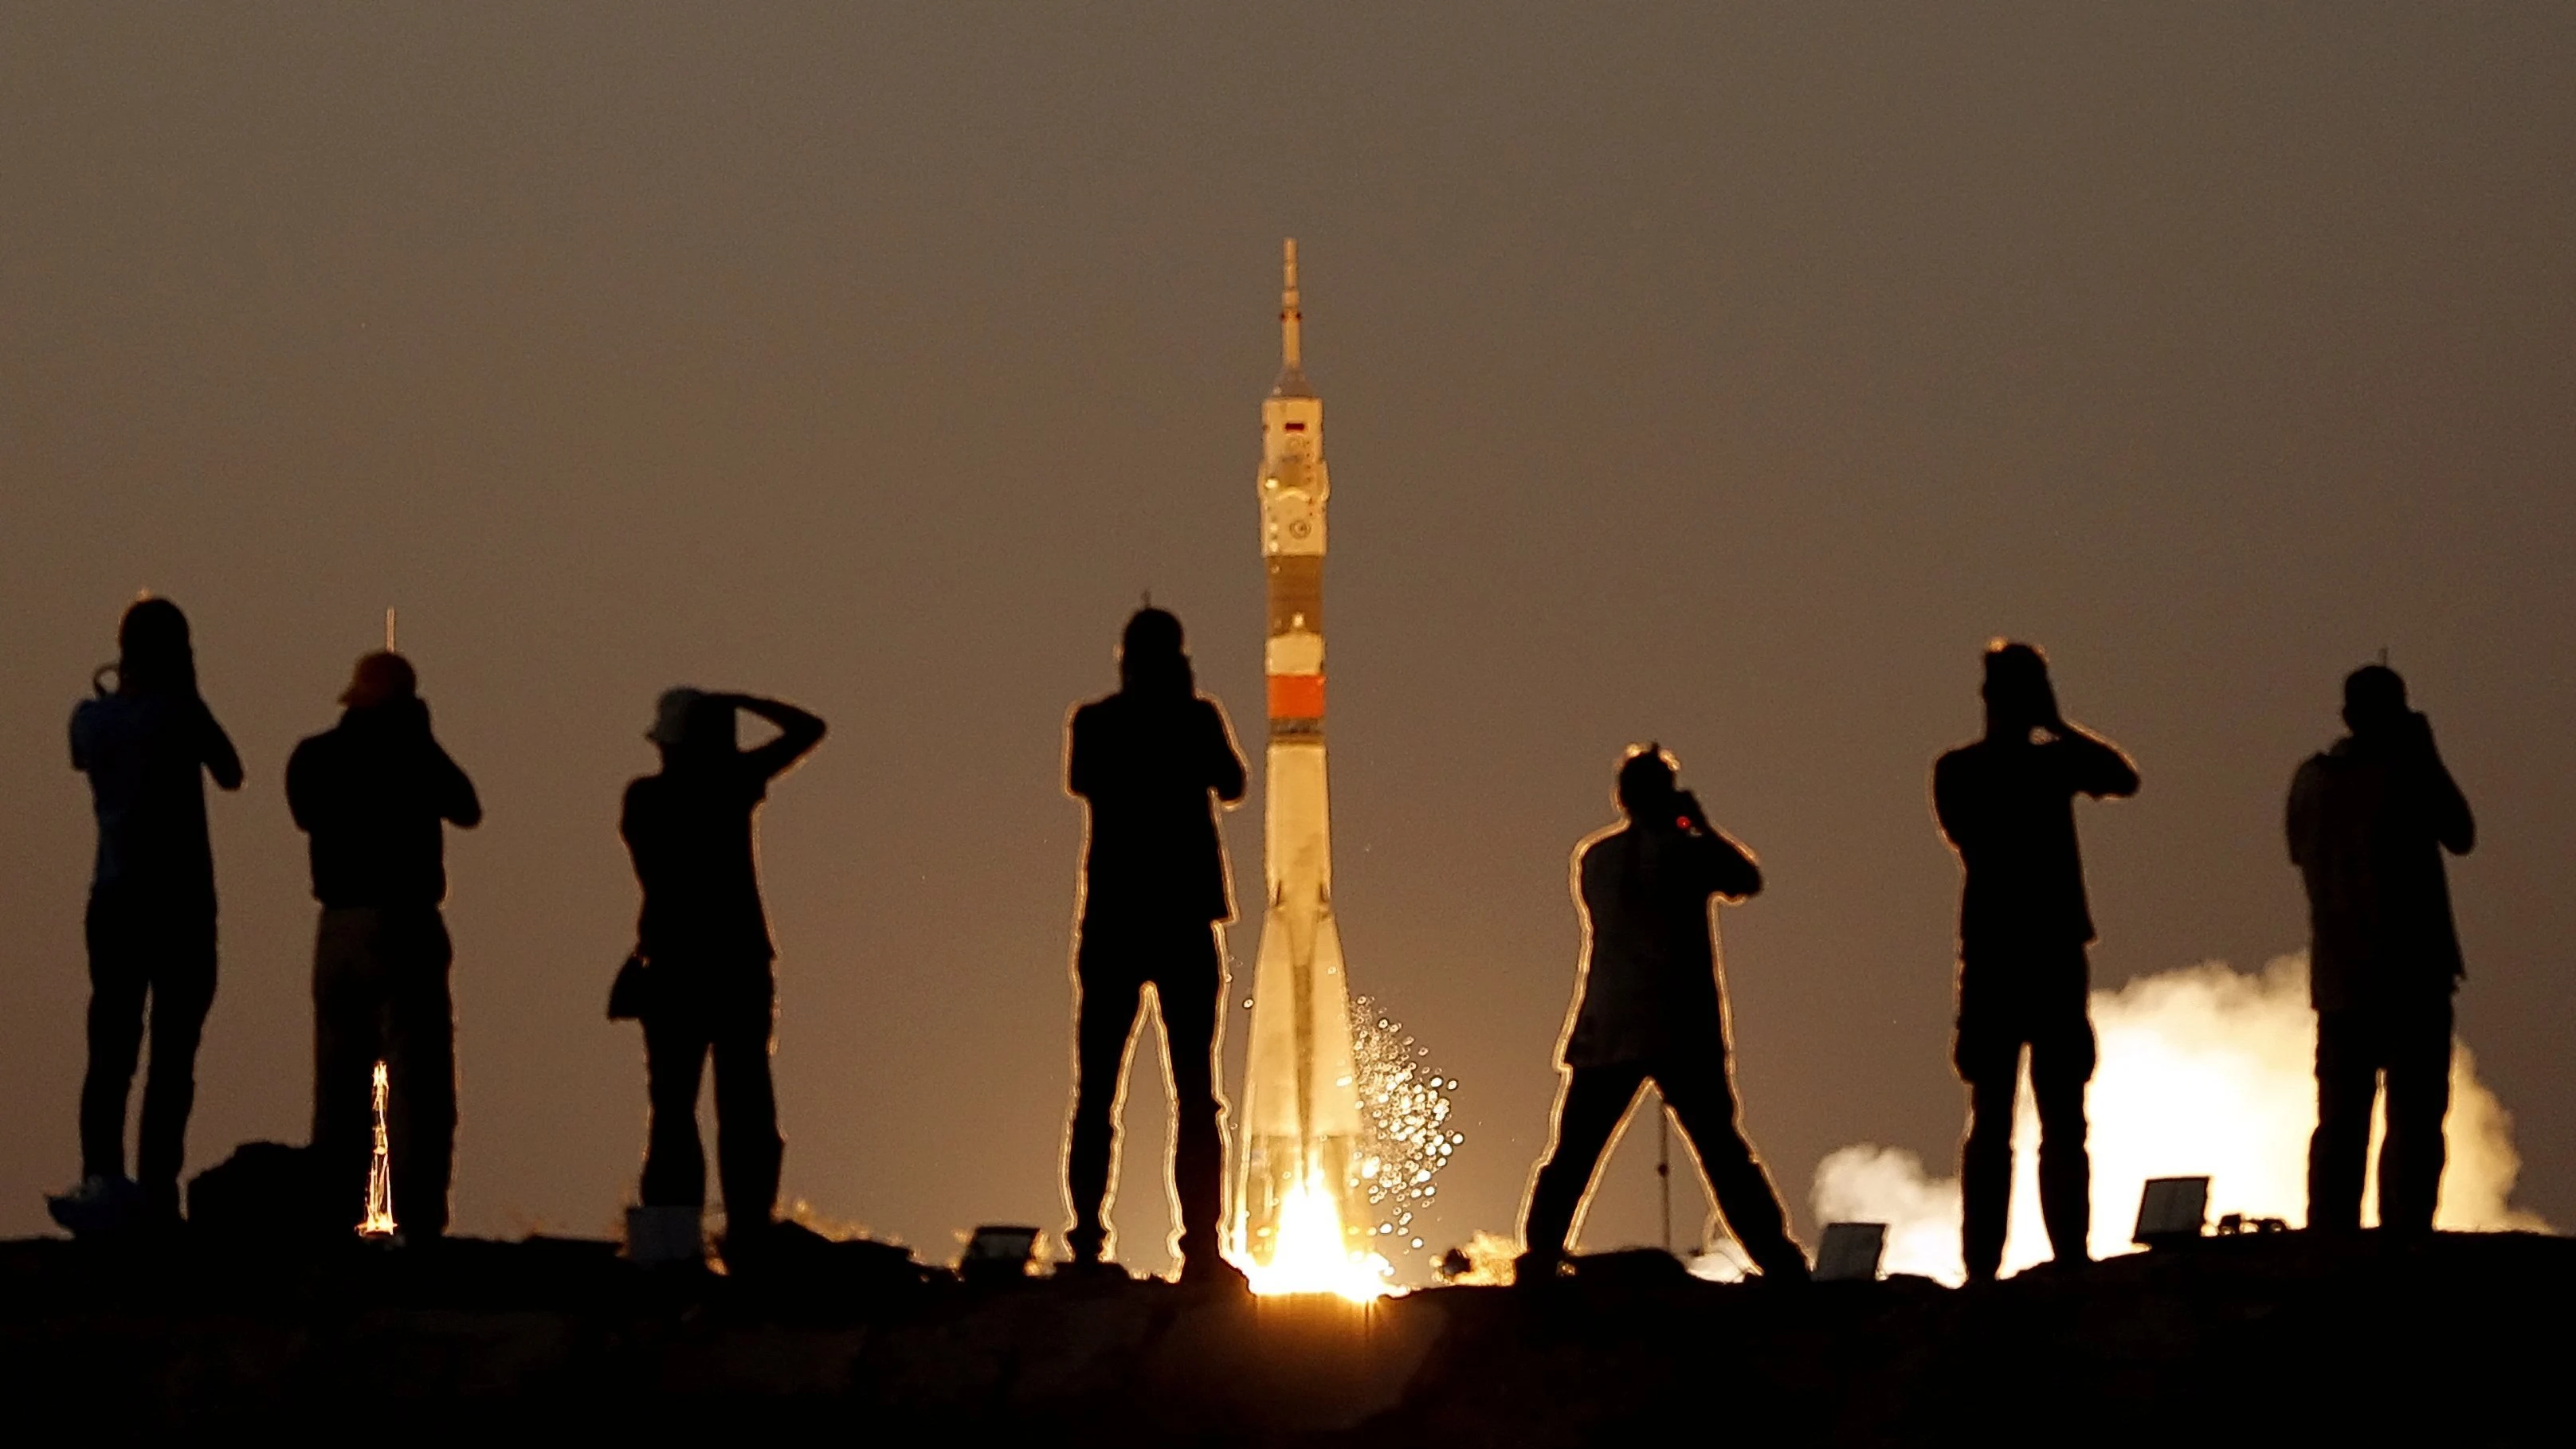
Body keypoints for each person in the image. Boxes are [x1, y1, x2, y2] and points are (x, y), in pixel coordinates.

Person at [1519, 746, 1809, 1283]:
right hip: (1680, 1028)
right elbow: (1744, 878)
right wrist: (1699, 825)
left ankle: (1539, 1256)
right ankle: (1778, 1259)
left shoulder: (1595, 858)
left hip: (1608, 1026)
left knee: (1573, 1154)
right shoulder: (1686, 855)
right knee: (1722, 1152)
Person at [1932, 641, 2138, 1283]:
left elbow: (2122, 778)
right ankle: (1983, 1266)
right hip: (2005, 955)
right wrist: (2055, 734)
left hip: (2040, 952)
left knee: (2058, 1115)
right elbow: (1972, 833)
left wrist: (2059, 728)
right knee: (1994, 1117)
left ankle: (2066, 1256)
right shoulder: (1963, 770)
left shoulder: (2045, 764)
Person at [1061, 607, 1247, 1283]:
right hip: (1174, 918)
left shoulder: (1097, 720)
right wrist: (1183, 713)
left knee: (1103, 1091)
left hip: (1117, 917)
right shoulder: (1190, 718)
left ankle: (1091, 1243)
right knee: (1193, 1092)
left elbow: (1088, 781)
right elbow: (1231, 782)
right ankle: (1196, 1245)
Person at [619, 688, 825, 1263]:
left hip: (673, 967)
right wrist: (739, 699)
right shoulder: (730, 784)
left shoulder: (647, 798)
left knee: (673, 1109)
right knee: (746, 1107)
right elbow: (807, 726)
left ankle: (672, 1243)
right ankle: (748, 1238)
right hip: (736, 966)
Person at [59, 597, 244, 1231]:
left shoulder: (91, 720)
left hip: (113, 898)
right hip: (181, 904)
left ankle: (101, 1179)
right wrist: (188, 693)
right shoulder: (180, 714)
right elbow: (231, 770)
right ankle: (158, 1185)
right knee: (172, 1054)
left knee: (110, 1047)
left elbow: (84, 755)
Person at [286, 650, 482, 1243]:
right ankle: (419, 1223)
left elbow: (304, 812)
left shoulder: (313, 756)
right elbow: (467, 806)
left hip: (338, 930)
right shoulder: (414, 754)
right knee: (417, 1083)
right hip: (405, 923)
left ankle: (332, 1218)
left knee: (339, 1082)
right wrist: (421, 738)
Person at [2288, 664, 2475, 1234]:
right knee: (2414, 1120)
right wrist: (2426, 752)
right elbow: (2460, 832)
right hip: (2409, 977)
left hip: (2340, 978)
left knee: (2340, 1123)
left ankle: (2331, 1237)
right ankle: (2404, 1238)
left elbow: (2300, 854)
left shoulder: (2311, 780)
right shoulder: (2406, 775)